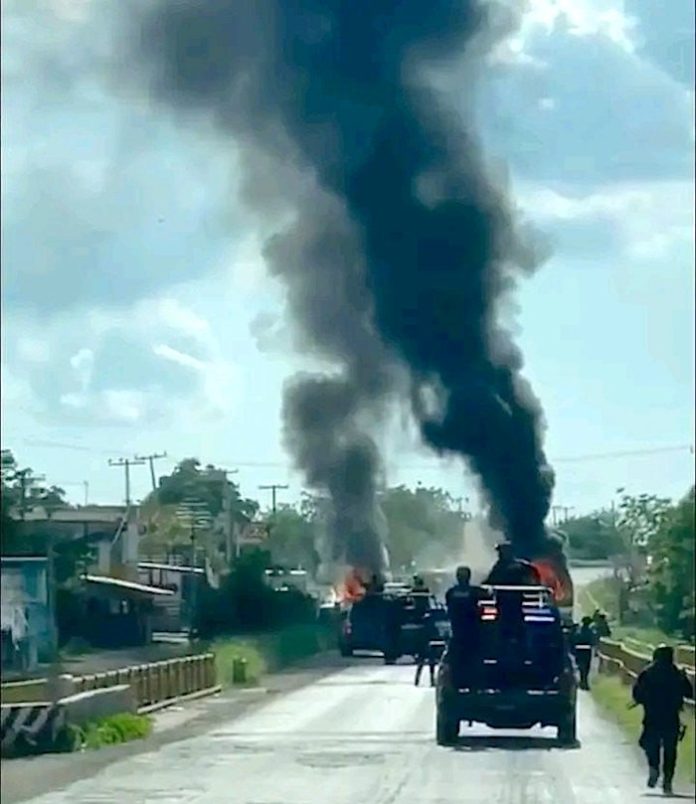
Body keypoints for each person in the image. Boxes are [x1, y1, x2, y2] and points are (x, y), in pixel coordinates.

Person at [632, 644, 694, 795]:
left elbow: (637, 693)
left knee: (648, 743)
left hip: (652, 716)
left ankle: (654, 767)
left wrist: (644, 700)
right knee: (670, 751)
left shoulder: (647, 673)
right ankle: (667, 781)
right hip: (671, 717)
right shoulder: (677, 673)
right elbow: (689, 693)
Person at [414, 608, 440, 687]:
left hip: (426, 647)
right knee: (429, 665)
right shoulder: (431, 628)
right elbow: (436, 636)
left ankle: (417, 680)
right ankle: (428, 681)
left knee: (423, 664)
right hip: (428, 647)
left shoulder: (423, 629)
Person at [572, 616, 597, 690]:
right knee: (586, 667)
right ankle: (584, 682)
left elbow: (574, 640)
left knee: (581, 667)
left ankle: (582, 681)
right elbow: (592, 641)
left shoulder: (578, 630)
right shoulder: (590, 631)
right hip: (586, 651)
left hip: (579, 650)